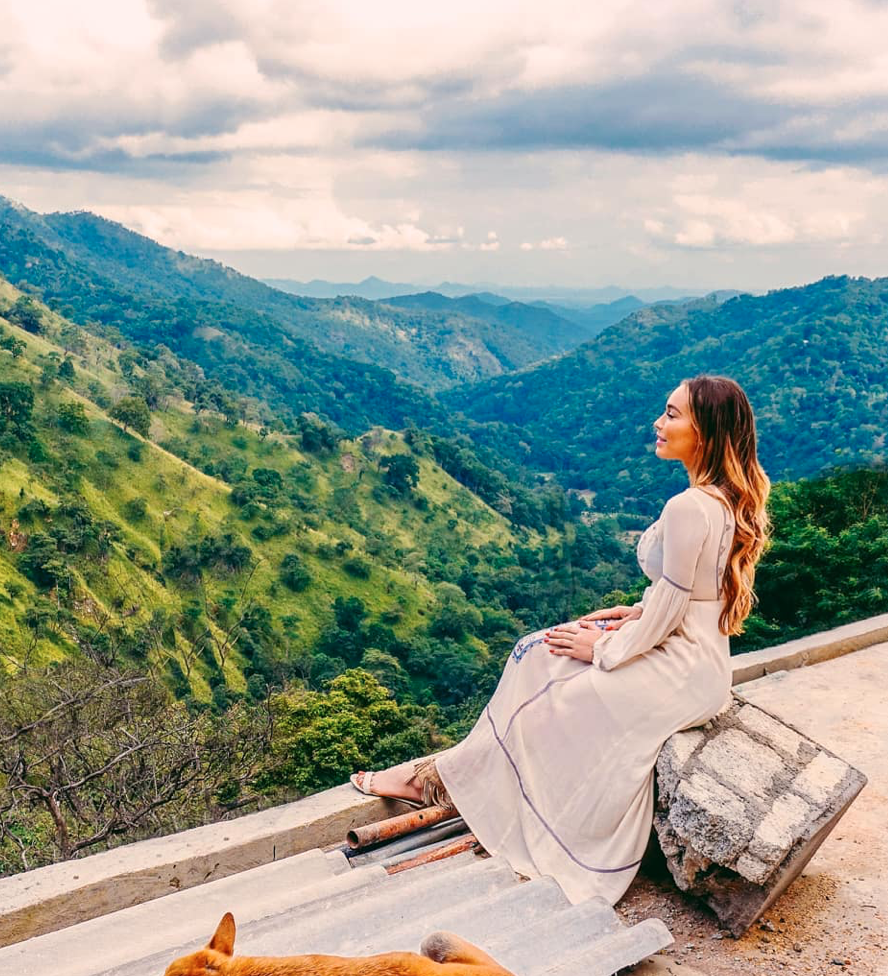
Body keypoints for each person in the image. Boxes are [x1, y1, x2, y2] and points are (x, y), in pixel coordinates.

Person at [351, 374, 770, 905]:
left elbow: (675, 603)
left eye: (672, 415)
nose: (658, 424)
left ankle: (439, 782)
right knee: (536, 651)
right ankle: (449, 776)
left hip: (682, 669)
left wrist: (606, 648)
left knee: (557, 685)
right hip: (691, 657)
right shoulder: (717, 498)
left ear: (705, 433)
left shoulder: (691, 506)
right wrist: (630, 614)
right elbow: (687, 597)